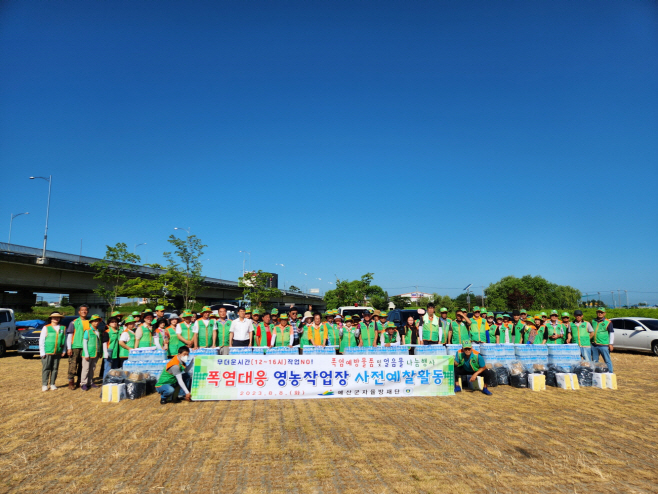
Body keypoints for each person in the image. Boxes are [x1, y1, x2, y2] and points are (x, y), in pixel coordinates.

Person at [39, 311, 67, 391]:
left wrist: (64, 350)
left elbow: (64, 340)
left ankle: (52, 383)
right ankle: (44, 384)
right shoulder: (46, 327)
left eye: (58, 317)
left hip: (58, 351)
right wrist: (42, 352)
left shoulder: (63, 328)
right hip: (48, 351)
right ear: (51, 318)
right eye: (54, 317)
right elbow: (42, 340)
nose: (56, 318)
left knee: (55, 368)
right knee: (46, 368)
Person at [66, 304, 90, 390]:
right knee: (73, 365)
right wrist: (69, 347)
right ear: (79, 312)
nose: (84, 311)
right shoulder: (74, 322)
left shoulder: (89, 322)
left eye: (85, 310)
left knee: (82, 365)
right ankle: (71, 381)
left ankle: (80, 381)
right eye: (82, 310)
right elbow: (69, 335)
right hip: (75, 346)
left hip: (85, 347)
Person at [81, 315, 102, 391]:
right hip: (88, 353)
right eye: (95, 321)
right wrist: (86, 353)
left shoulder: (98, 331)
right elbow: (85, 342)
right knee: (86, 369)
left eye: (97, 321)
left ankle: (90, 382)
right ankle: (83, 383)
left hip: (95, 352)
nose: (96, 322)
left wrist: (100, 352)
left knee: (92, 368)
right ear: (91, 322)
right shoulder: (88, 331)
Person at [591, 307, 614, 372]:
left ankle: (610, 373)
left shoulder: (608, 322)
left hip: (604, 345)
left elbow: (611, 333)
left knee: (607, 360)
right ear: (596, 313)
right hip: (594, 345)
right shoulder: (593, 321)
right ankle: (595, 373)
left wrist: (611, 344)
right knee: (594, 361)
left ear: (604, 313)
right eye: (598, 312)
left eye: (601, 312)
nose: (600, 314)